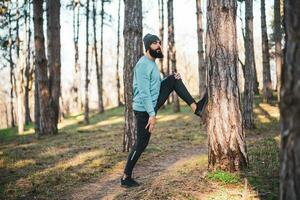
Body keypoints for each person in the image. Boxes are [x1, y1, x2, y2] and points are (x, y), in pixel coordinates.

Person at [121, 33, 208, 188]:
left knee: (174, 78)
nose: (159, 45)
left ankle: (196, 108)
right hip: (143, 109)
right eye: (155, 43)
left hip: (152, 103)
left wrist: (168, 79)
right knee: (141, 143)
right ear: (148, 46)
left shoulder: (152, 63)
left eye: (159, 42)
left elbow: (154, 85)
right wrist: (152, 115)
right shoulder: (142, 65)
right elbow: (144, 92)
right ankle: (125, 177)